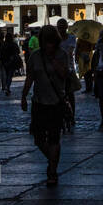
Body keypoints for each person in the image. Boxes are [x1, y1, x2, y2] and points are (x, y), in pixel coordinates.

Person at [22, 25, 77, 186]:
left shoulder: (62, 55)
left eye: (51, 42)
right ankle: (53, 160)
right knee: (38, 139)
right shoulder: (35, 56)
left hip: (56, 102)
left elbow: (65, 75)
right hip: (38, 102)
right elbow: (30, 77)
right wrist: (23, 96)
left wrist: (54, 61)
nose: (49, 45)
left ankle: (52, 171)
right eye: (46, 42)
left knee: (54, 138)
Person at [56, 19, 79, 130]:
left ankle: (72, 116)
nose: (60, 29)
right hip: (57, 69)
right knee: (58, 95)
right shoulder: (55, 39)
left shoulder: (71, 38)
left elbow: (70, 51)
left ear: (66, 27)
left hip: (68, 68)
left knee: (70, 94)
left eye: (62, 27)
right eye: (59, 27)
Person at [0, 31, 21, 95]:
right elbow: (18, 52)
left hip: (5, 62)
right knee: (10, 75)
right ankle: (7, 87)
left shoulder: (4, 44)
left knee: (7, 74)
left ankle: (6, 87)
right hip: (12, 62)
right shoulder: (14, 44)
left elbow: (1, 53)